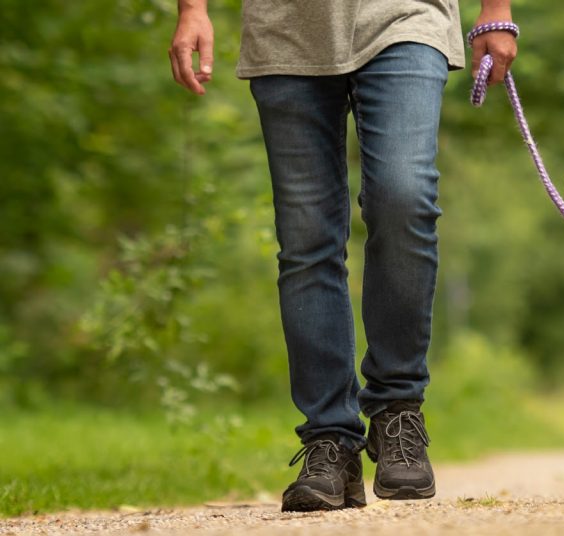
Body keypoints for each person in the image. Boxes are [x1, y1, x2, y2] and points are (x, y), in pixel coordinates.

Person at [168, 0, 517, 511]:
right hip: (284, 30)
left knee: (404, 196)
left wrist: (496, 9)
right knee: (306, 239)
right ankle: (329, 440)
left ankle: (398, 407)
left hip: (406, 16)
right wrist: (192, 9)